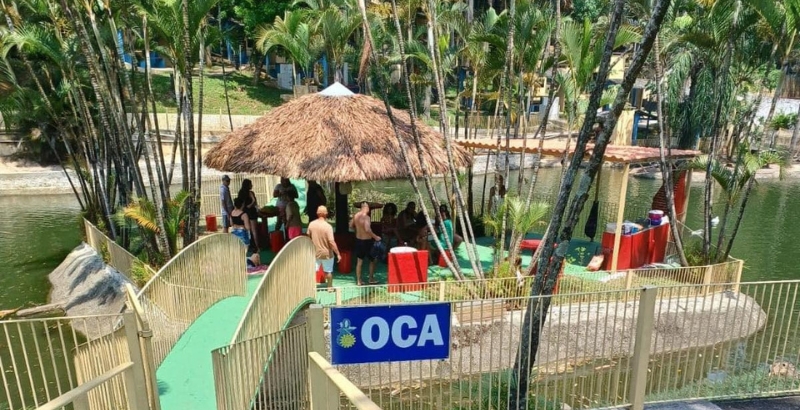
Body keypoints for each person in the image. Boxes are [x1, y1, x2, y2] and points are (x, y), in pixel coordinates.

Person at [307, 206, 340, 290]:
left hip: (314, 252)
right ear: (326, 214)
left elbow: (308, 236)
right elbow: (331, 241)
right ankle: (329, 287)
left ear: (317, 213)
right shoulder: (328, 226)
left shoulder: (311, 224)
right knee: (328, 271)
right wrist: (338, 254)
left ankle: (310, 287)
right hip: (327, 253)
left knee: (312, 271)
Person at [350, 202, 380, 286]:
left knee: (359, 261)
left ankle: (358, 281)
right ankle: (371, 278)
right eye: (368, 208)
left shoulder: (356, 216)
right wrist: (375, 237)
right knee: (373, 259)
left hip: (358, 240)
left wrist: (358, 230)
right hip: (367, 241)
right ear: (365, 208)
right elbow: (367, 229)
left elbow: (350, 225)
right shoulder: (366, 217)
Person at [237, 179, 260, 251]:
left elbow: (241, 204)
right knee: (254, 231)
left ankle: (248, 246)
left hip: (244, 213)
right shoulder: (251, 193)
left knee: (247, 230)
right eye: (250, 184)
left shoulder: (240, 193)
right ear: (248, 185)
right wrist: (252, 202)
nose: (252, 185)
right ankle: (257, 247)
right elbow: (254, 203)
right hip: (251, 212)